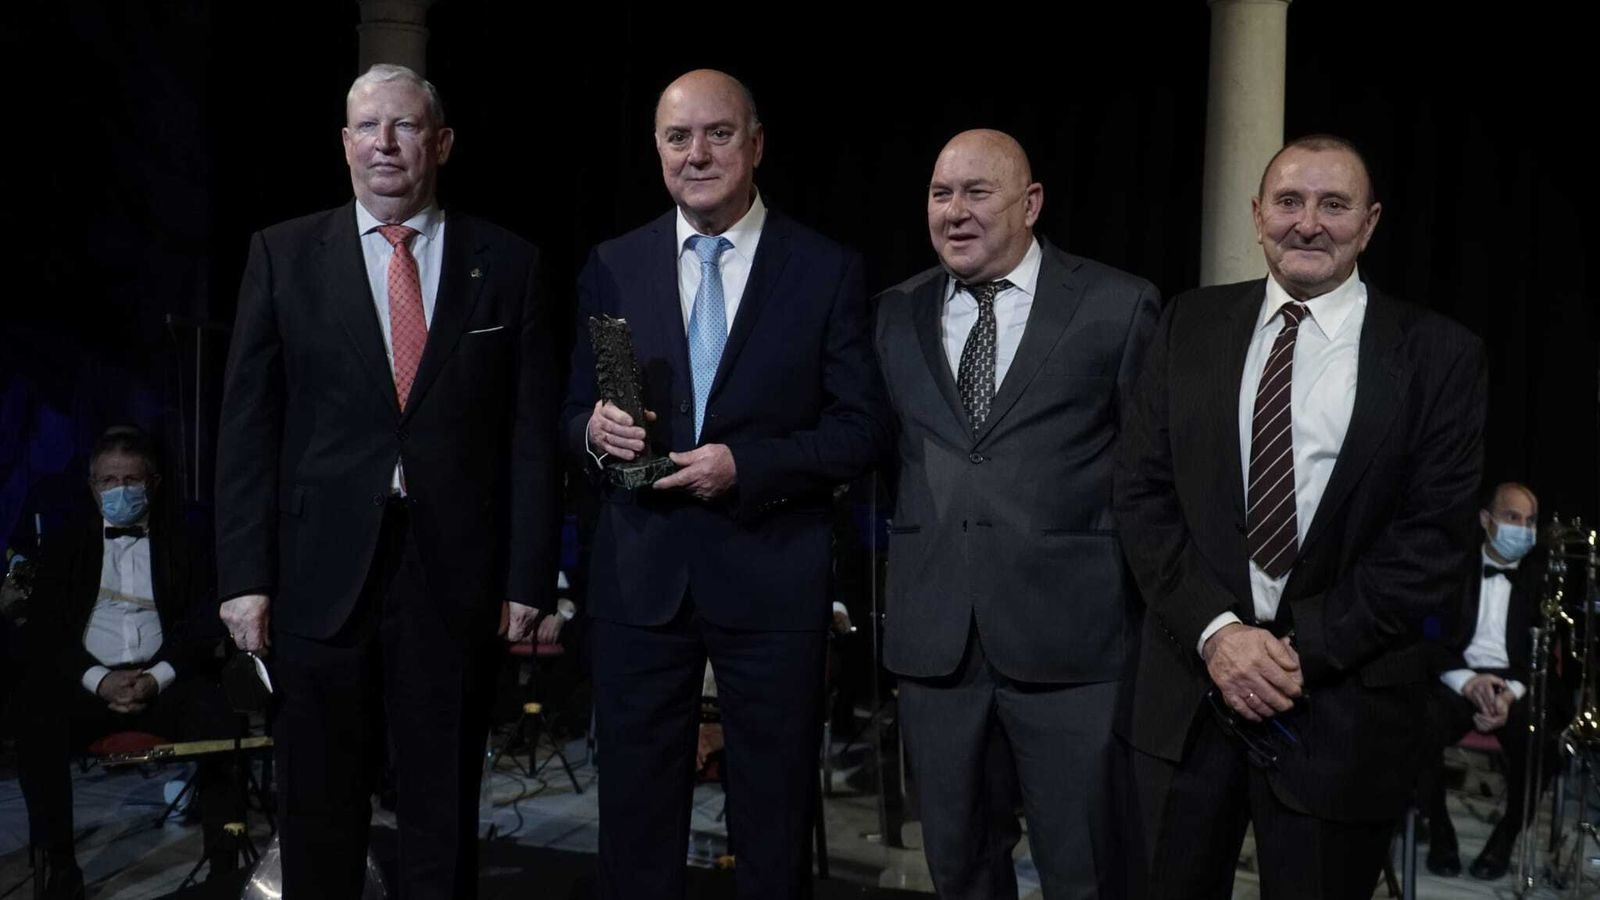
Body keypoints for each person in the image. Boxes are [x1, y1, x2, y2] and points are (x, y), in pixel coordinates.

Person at [214, 63, 560, 899]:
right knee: (318, 805)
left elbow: (529, 438)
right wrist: (245, 578)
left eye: (404, 126)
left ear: (440, 142)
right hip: (317, 576)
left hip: (452, 576)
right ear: (343, 143)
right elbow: (246, 430)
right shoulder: (283, 255)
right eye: (367, 127)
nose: (385, 143)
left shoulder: (509, 263)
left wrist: (527, 574)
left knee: (442, 803)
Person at [1114, 134, 1487, 898]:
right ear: (1256, 216)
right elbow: (1141, 496)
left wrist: (1291, 654)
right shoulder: (1188, 325)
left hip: (1339, 718)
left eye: (1334, 204)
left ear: (1372, 222)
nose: (1307, 223)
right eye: (1288, 201)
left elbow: (1432, 542)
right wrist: (1220, 637)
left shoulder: (1441, 356)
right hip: (1186, 704)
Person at [561, 68, 888, 899]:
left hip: (772, 573)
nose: (696, 153)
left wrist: (750, 466)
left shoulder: (825, 267)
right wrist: (594, 433)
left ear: (756, 145)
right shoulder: (614, 262)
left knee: (773, 822)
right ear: (658, 150)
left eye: (717, 134)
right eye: (678, 137)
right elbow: (570, 411)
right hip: (640, 580)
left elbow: (860, 430)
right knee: (634, 825)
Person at [873, 129, 1159, 898]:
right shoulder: (894, 312)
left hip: (1074, 650)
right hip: (938, 649)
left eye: (976, 192)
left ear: (1030, 203)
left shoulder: (1118, 304)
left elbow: (1150, 478)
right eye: (940, 194)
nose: (954, 211)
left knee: (1088, 874)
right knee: (958, 870)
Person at [19, 426, 242, 899]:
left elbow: (204, 623)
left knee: (219, 715)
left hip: (164, 679)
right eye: (107, 480)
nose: (119, 490)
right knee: (37, 719)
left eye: (130, 480)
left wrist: (156, 678)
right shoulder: (65, 543)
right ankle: (59, 865)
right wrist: (100, 681)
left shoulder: (184, 540)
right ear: (91, 485)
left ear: (154, 484)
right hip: (91, 684)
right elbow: (46, 630)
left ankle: (225, 863)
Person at [1421, 482, 1565, 879]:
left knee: (1545, 742)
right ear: (1486, 520)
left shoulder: (1543, 579)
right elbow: (1428, 635)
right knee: (1416, 723)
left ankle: (1505, 839)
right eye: (1512, 517)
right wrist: (1467, 682)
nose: (1524, 527)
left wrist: (1508, 696)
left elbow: (1545, 651)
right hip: (1458, 676)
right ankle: (1439, 830)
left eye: (1530, 521)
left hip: (1516, 684)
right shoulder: (1452, 567)